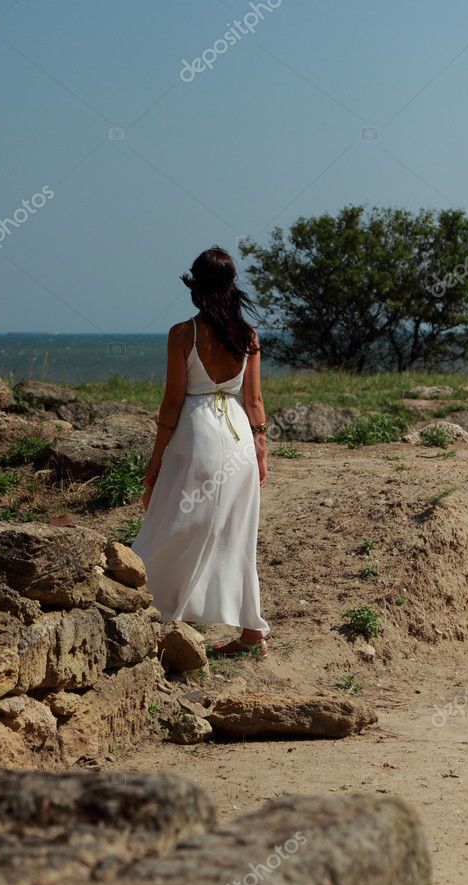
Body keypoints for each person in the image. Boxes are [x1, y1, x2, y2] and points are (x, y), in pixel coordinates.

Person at [132, 246, 270, 657]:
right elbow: (256, 401)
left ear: (195, 287)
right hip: (240, 438)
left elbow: (172, 403)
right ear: (231, 287)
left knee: (177, 523)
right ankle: (251, 634)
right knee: (235, 534)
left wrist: (155, 461)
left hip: (197, 437)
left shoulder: (182, 334)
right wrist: (260, 450)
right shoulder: (248, 336)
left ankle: (168, 614)